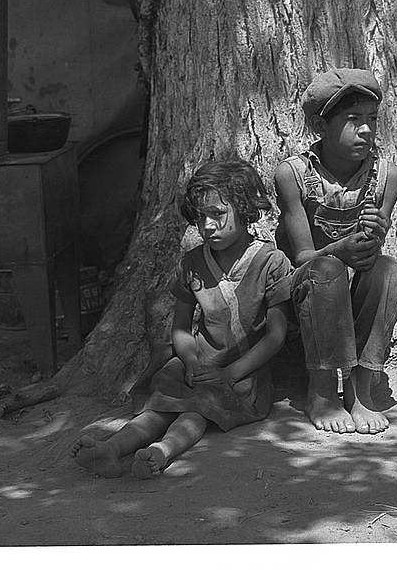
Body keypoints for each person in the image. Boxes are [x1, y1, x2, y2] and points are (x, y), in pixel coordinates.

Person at [71, 157, 292, 478]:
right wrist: (190, 362)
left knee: (198, 410)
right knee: (161, 406)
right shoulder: (192, 262)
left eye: (218, 214)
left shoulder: (270, 263)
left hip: (243, 372)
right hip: (196, 365)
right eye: (201, 218)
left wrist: (230, 373)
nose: (208, 226)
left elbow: (275, 336)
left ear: (245, 210)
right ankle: (112, 448)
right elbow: (181, 327)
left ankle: (160, 453)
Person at [274, 68, 397, 434]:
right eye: (353, 120)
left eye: (372, 120)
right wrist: (343, 249)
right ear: (320, 125)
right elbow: (302, 258)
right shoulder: (294, 175)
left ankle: (360, 385)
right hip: (305, 293)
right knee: (327, 269)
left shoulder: (386, 176)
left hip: (349, 293)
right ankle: (322, 392)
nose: (366, 130)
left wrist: (370, 240)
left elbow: (368, 254)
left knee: (390, 270)